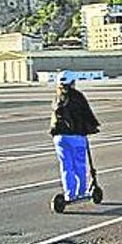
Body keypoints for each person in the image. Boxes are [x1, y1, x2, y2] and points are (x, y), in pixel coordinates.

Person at [49, 70, 101, 202]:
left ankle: (69, 194)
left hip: (59, 137)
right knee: (79, 164)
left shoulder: (57, 97)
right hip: (76, 136)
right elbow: (86, 114)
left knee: (66, 166)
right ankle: (82, 191)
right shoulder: (77, 96)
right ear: (72, 82)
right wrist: (93, 126)